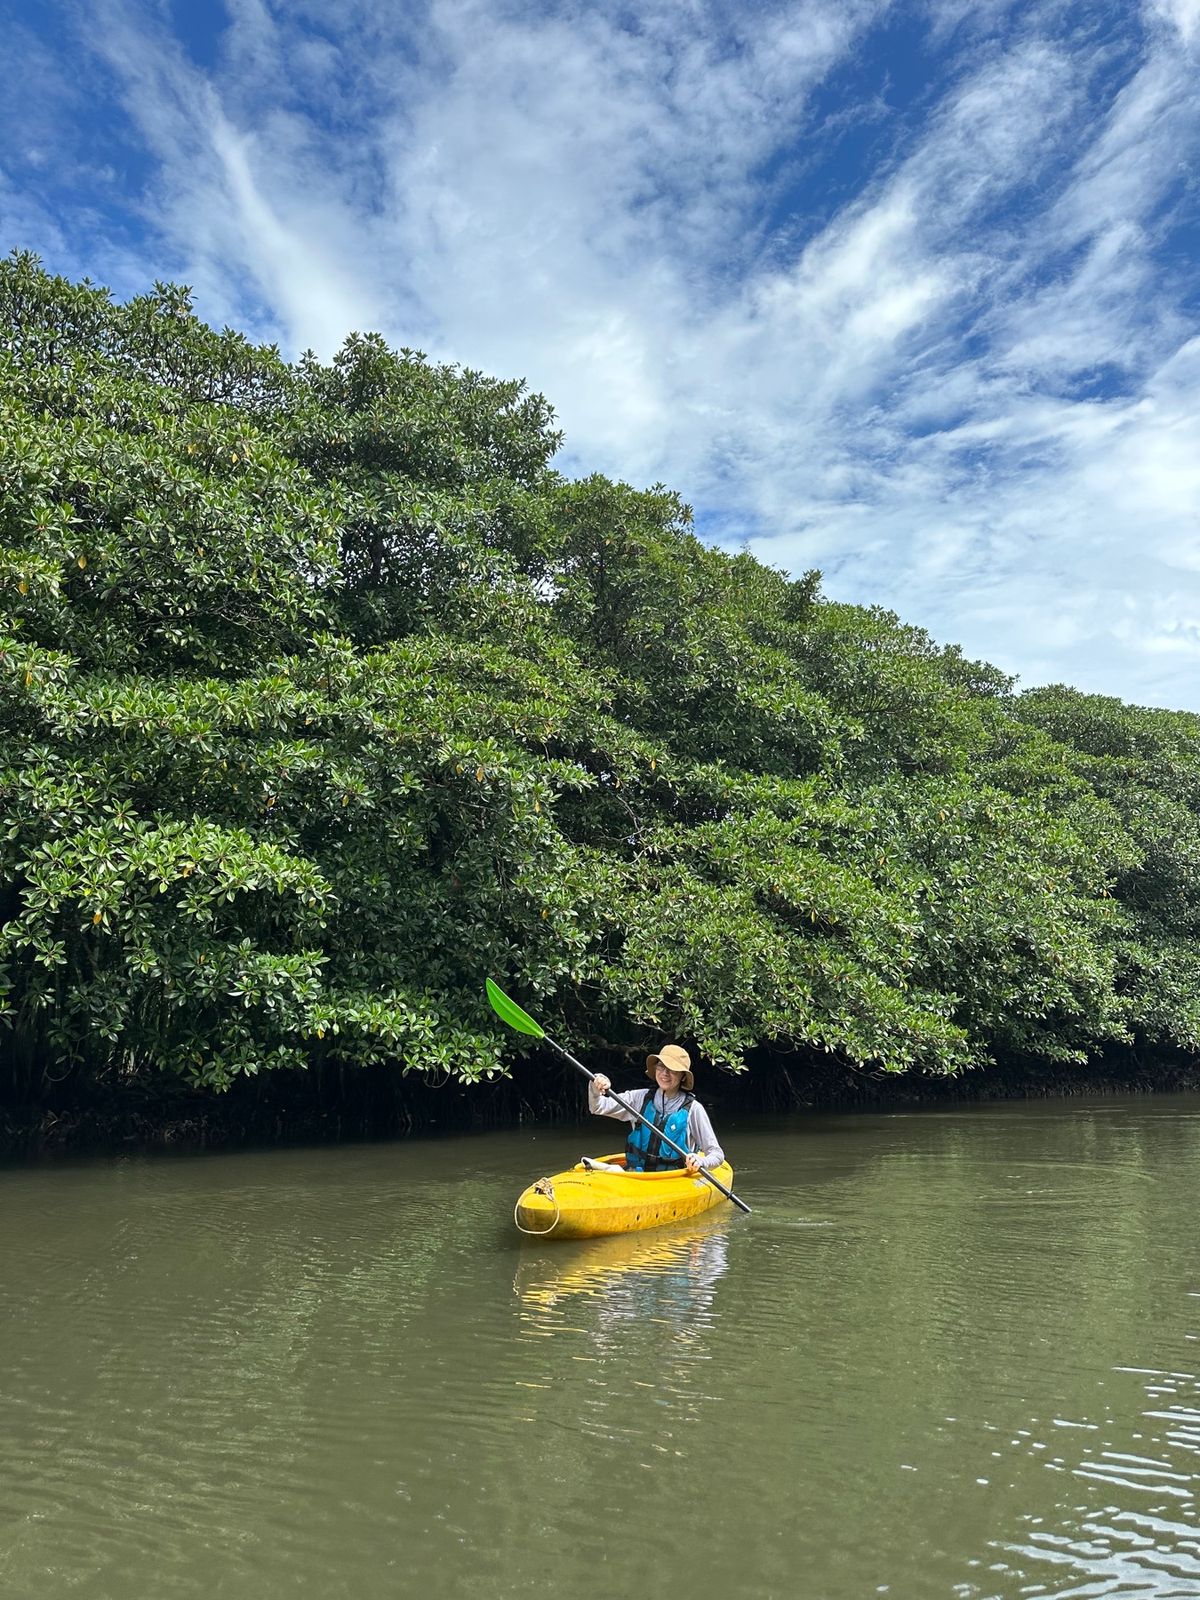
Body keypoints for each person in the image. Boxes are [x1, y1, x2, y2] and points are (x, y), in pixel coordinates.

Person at [588, 1044, 724, 1174]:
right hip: (636, 1175)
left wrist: (701, 1161)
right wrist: (596, 1084)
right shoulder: (638, 1098)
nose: (665, 1073)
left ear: (683, 1076)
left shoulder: (694, 1110)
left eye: (672, 1069)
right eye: (661, 1066)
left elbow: (716, 1154)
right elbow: (598, 1107)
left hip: (674, 1180)